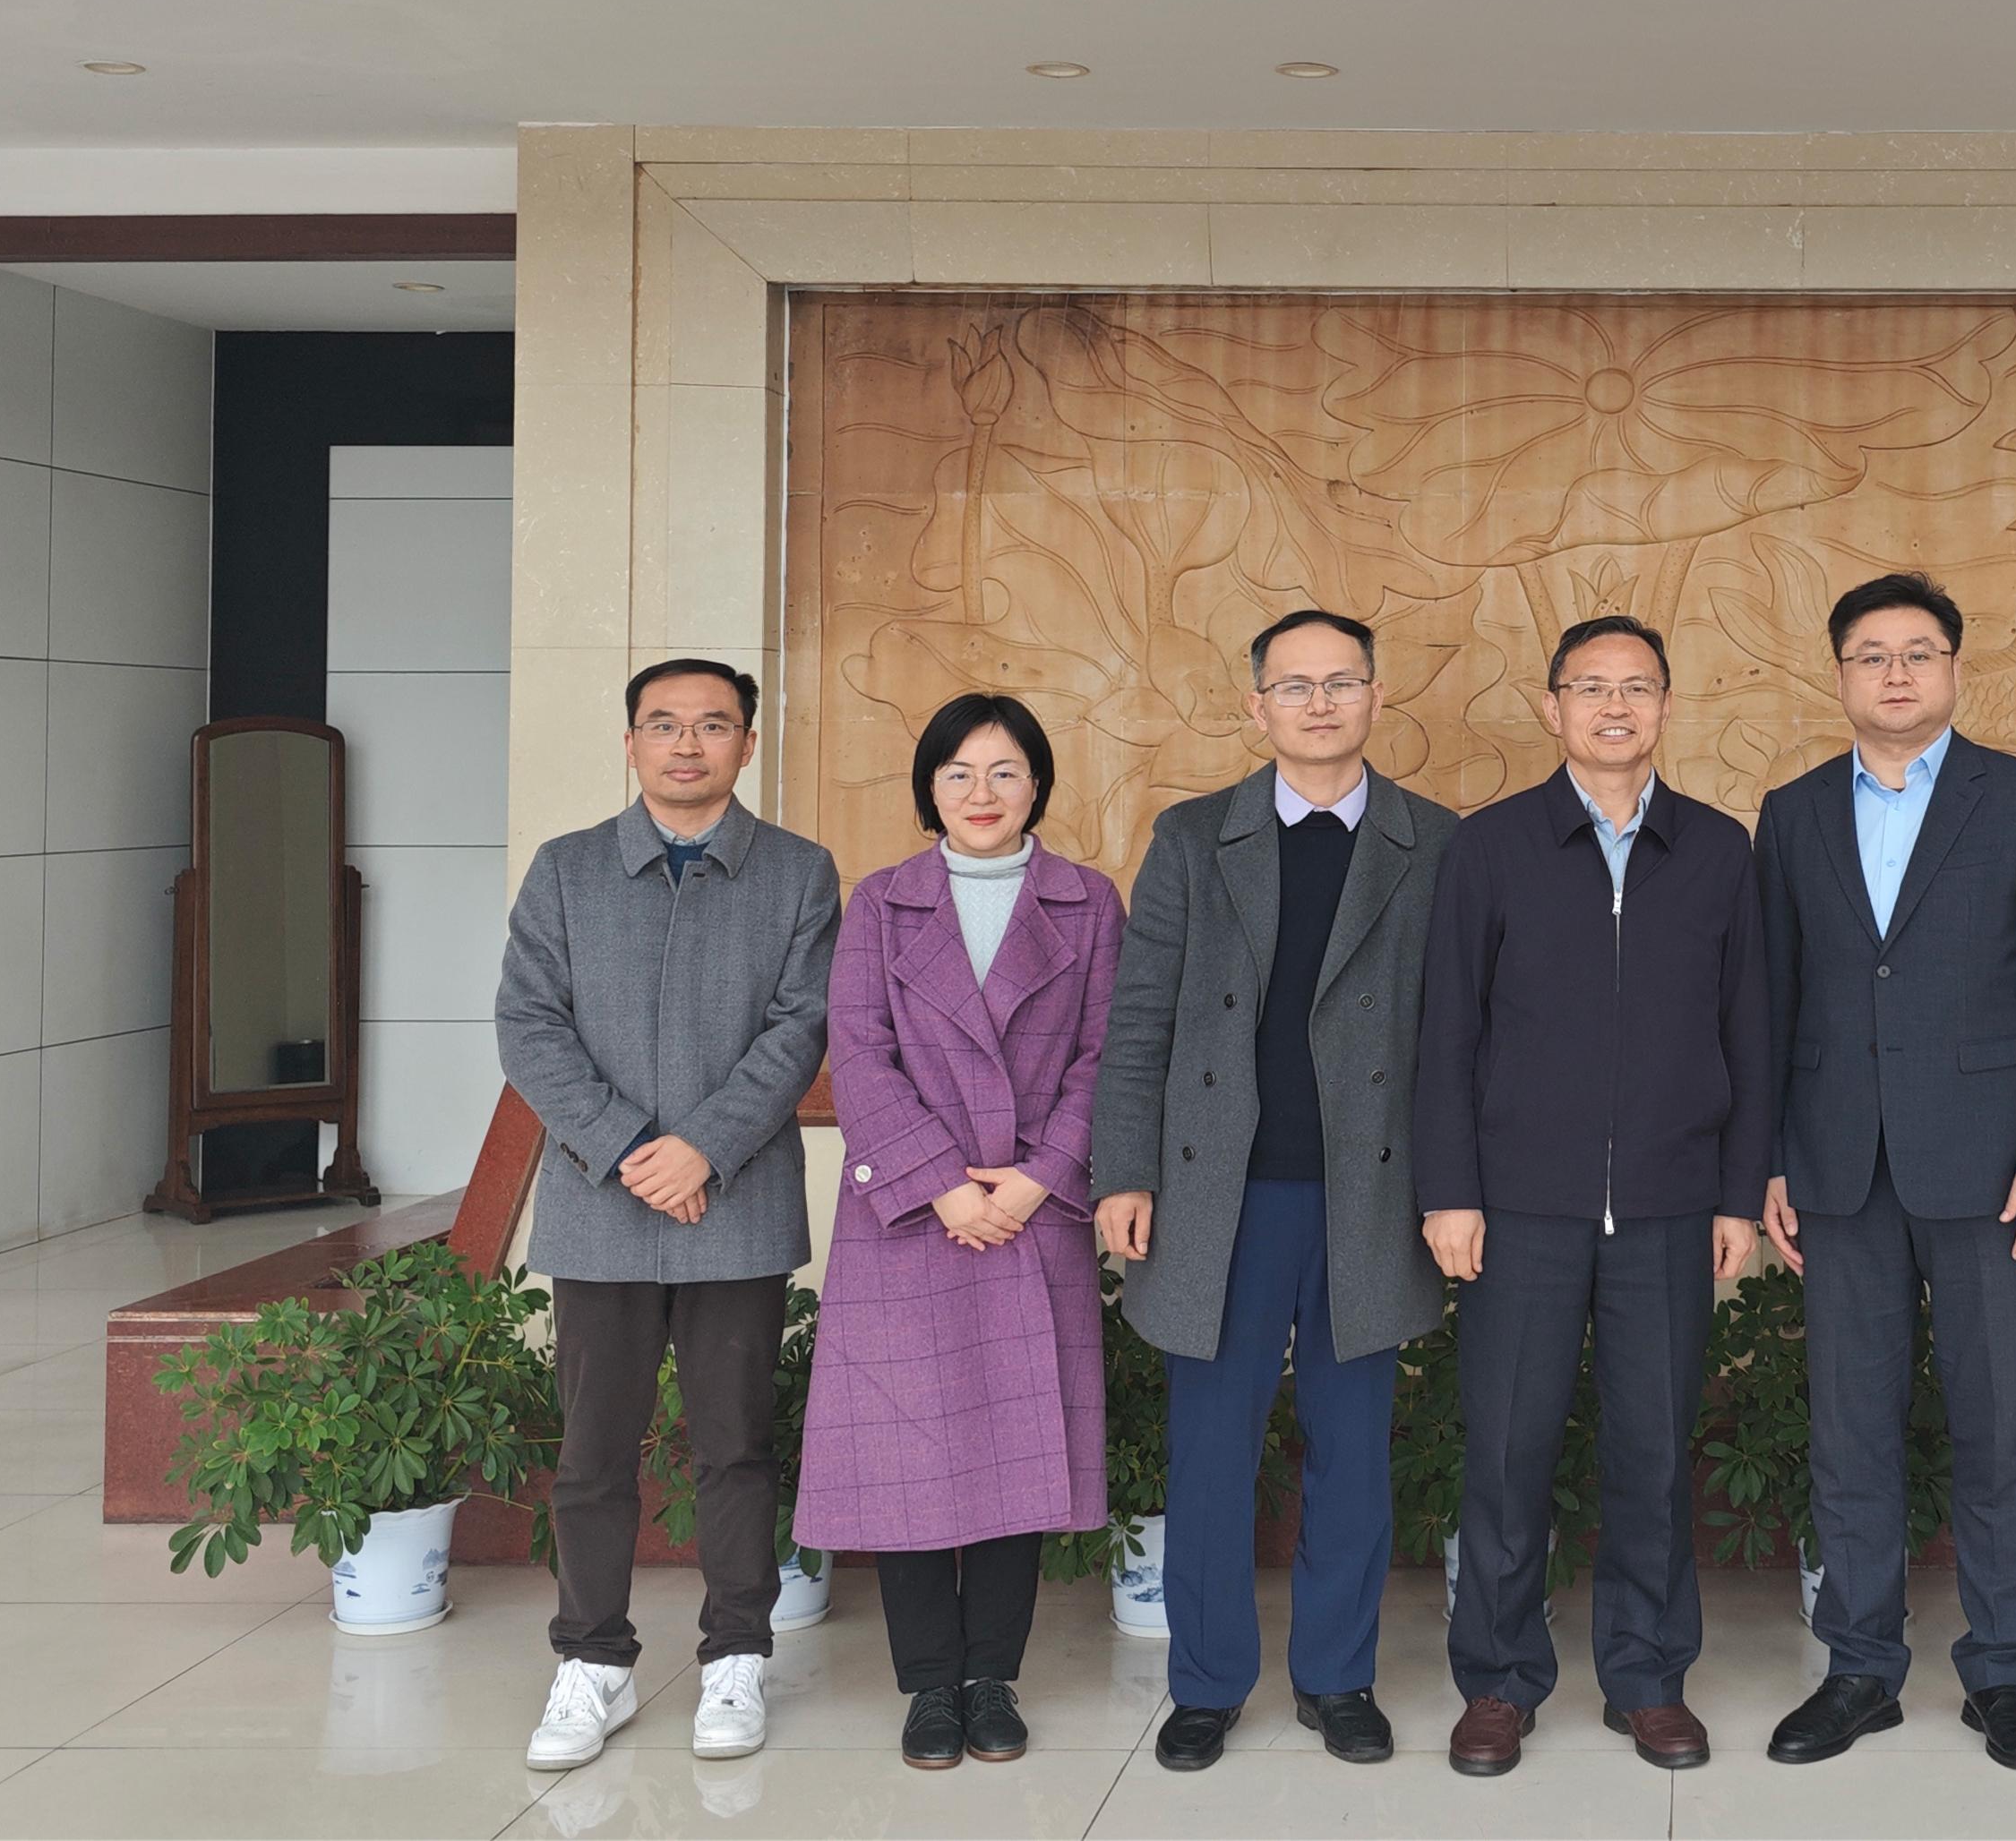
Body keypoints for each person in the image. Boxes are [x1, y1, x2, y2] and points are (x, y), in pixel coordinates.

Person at [1088, 609, 1458, 1774]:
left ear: (1376, 697)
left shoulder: (1433, 842)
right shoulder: (1196, 836)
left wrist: (1457, 1188)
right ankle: (1205, 1684)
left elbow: (1460, 1037)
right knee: (1212, 1449)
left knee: (1353, 1449)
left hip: (1369, 1191)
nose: (1319, 702)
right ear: (1256, 708)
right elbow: (1138, 1019)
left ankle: (1339, 1678)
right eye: (1294, 685)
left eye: (1340, 681)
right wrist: (1124, 1170)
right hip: (1220, 1194)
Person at [1752, 571, 2016, 1774]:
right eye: (1871, 654)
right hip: (1840, 1170)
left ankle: (2000, 1673)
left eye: (1917, 652)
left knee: (1998, 1426)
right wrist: (1773, 1161)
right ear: (1840, 675)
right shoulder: (1793, 810)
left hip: (1995, 1175)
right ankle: (1859, 1668)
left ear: (1955, 669)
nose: (1894, 673)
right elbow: (1770, 1002)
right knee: (1850, 1430)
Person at [1415, 616, 1770, 1777]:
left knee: (1653, 1451)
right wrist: (1449, 1191)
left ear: (1666, 703)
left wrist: (1735, 1193)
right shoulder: (1492, 847)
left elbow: (1750, 1033)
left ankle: (1648, 1676)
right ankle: (1499, 1679)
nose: (1615, 706)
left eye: (1637, 687)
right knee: (1506, 1451)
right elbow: (1447, 1031)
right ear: (1554, 705)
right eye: (1592, 687)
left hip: (1669, 1205)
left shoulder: (1716, 849)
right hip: (1520, 1206)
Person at [496, 657, 840, 1771]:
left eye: (713, 724)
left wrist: (705, 1146)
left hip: (734, 1205)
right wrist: (631, 1147)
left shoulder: (798, 871)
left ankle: (736, 1650)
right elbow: (529, 1024)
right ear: (631, 742)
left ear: (748, 742)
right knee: (594, 1449)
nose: (687, 743)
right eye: (664, 723)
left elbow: (801, 1025)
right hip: (602, 1206)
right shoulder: (567, 869)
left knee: (735, 1443)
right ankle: (593, 1658)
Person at [794, 694, 1124, 1770]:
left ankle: (992, 1675)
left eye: (1005, 771)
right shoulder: (882, 901)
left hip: (1032, 1210)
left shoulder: (1088, 901)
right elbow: (860, 1052)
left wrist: (1039, 1179)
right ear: (928, 788)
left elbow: (1107, 1053)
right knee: (908, 1446)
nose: (982, 793)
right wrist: (942, 1186)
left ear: (1039, 785)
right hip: (910, 1212)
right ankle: (930, 1682)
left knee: (1015, 1446)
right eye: (959, 773)